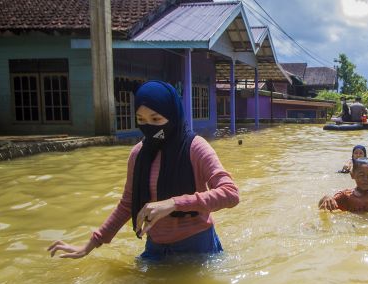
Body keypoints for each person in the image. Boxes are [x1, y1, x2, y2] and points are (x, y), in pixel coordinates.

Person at [47, 80, 239, 262]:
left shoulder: (195, 148)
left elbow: (230, 194)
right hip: (155, 248)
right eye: (141, 119)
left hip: (197, 248)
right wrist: (91, 243)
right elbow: (127, 204)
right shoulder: (138, 154)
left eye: (156, 119)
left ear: (172, 115)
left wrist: (173, 203)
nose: (149, 127)